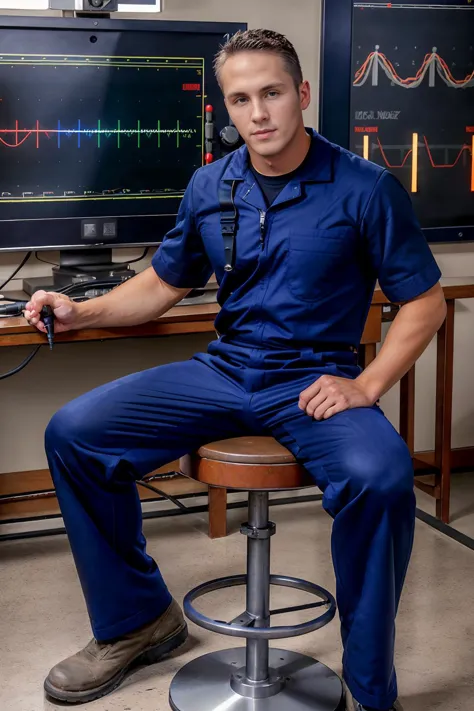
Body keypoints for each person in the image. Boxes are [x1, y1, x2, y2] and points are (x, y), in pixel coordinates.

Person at [26, 29, 446, 711]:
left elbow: (423, 303)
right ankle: (138, 621)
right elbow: (162, 285)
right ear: (227, 106)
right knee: (74, 432)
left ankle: (372, 689)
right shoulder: (209, 184)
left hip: (313, 377)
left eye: (272, 93)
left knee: (381, 478)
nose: (258, 113)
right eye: (241, 98)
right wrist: (81, 311)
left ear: (301, 95)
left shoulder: (366, 188)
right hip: (225, 371)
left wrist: (365, 386)